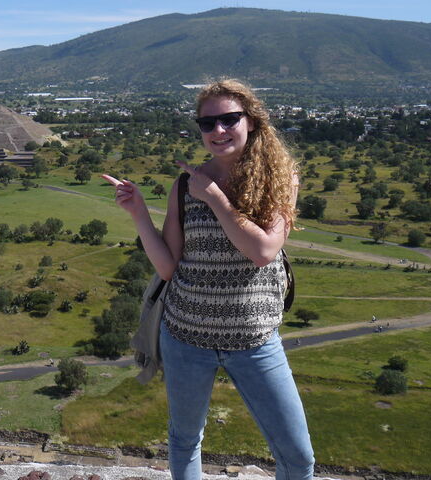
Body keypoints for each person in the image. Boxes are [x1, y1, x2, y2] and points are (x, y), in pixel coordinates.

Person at [108, 79, 315, 480]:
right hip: (186, 337)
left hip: (255, 340)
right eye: (207, 123)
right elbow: (168, 268)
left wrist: (216, 198)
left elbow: (263, 251)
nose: (218, 130)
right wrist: (138, 213)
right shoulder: (187, 184)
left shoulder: (279, 178)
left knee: (298, 455)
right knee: (185, 440)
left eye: (229, 119)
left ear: (251, 121)